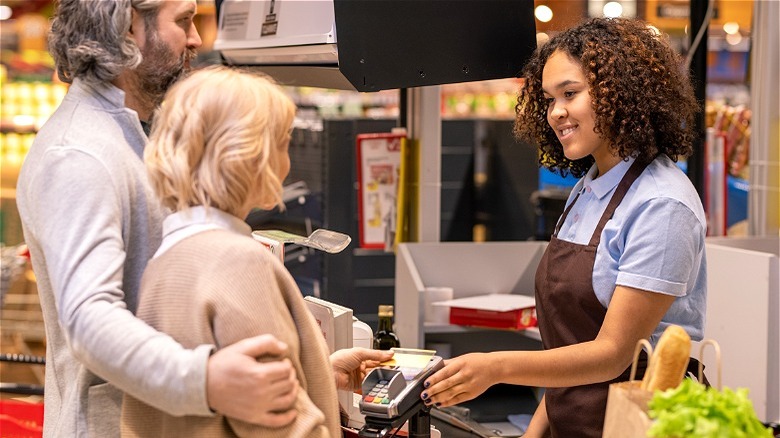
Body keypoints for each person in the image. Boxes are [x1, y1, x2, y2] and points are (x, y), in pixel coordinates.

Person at [16, 1, 302, 435]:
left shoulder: (132, 133)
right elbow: (89, 318)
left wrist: (292, 367)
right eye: (184, 21)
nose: (196, 39)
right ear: (131, 26)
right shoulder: (78, 155)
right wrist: (206, 380)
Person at [420, 17, 707, 438]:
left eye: (570, 94)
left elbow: (612, 354)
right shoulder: (587, 189)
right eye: (548, 99)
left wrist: (496, 367)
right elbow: (568, 356)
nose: (556, 113)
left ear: (620, 91)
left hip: (642, 425)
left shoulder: (662, 204)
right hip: (574, 422)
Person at [119, 65, 392, 437]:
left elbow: (225, 394)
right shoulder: (238, 262)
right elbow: (279, 424)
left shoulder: (168, 258)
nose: (288, 163)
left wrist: (316, 372)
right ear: (248, 156)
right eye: (282, 144)